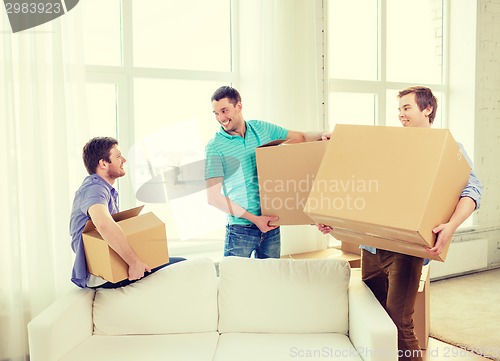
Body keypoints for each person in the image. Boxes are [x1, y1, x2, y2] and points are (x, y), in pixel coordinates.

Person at [317, 86, 482, 361]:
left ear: (427, 109)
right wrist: (335, 221)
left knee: (398, 320)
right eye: (399, 110)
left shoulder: (448, 148)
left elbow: (472, 190)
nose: (400, 115)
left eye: (406, 108)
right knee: (372, 315)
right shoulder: (389, 144)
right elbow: (361, 183)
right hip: (371, 246)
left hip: (407, 250)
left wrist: (451, 226)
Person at [205, 85, 329, 259]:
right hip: (240, 230)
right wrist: (255, 219)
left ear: (239, 106)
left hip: (271, 226)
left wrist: (324, 134)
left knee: (270, 282)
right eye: (216, 113)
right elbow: (213, 198)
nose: (221, 118)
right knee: (236, 283)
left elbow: (301, 137)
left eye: (224, 111)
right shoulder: (215, 147)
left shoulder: (261, 129)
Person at [69, 137, 184, 288]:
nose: (123, 160)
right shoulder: (94, 188)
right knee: (182, 266)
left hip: (106, 267)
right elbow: (103, 223)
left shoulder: (101, 188)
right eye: (118, 156)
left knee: (173, 263)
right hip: (102, 274)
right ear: (103, 163)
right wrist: (134, 263)